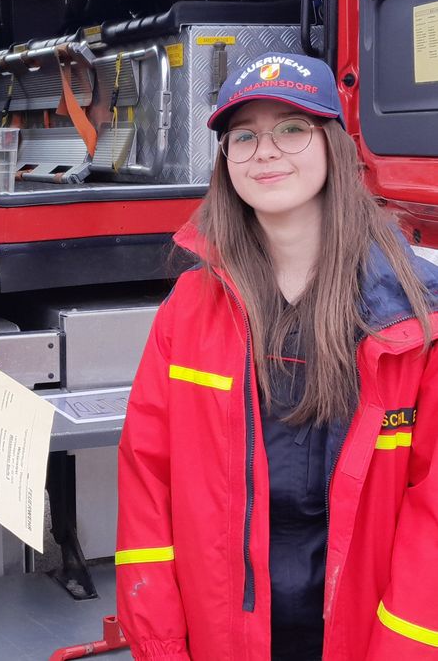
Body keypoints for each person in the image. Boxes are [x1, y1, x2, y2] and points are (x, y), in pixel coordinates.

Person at [115, 53, 438, 660]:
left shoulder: (415, 318)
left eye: (292, 127)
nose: (265, 151)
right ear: (225, 161)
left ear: (335, 147)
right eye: (244, 136)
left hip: (369, 639)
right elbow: (146, 495)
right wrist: (160, 644)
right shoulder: (187, 311)